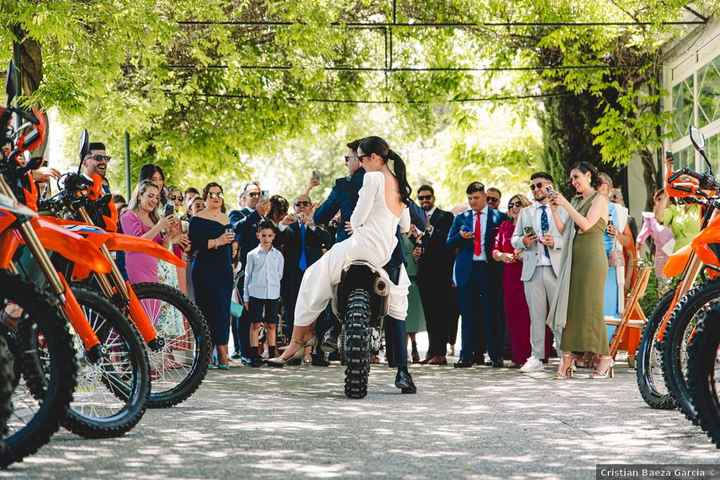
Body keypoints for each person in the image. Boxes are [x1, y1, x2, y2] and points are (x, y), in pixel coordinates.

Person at [268, 136, 416, 394]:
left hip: (361, 245)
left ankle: (303, 336)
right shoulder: (399, 184)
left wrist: (356, 223)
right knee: (396, 308)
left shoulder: (370, 178)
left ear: (371, 158)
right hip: (386, 253)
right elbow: (404, 226)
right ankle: (403, 371)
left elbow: (356, 216)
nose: (355, 162)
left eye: (357, 157)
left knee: (314, 275)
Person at [548, 162, 611, 379]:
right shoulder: (576, 200)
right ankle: (568, 358)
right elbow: (564, 229)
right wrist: (555, 209)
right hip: (575, 259)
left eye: (577, 177)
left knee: (591, 308)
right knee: (573, 310)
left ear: (588, 176)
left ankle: (605, 356)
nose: (573, 182)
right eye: (571, 179)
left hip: (593, 260)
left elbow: (586, 225)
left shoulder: (599, 199)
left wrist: (564, 203)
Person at [511, 172, 567, 373]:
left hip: (555, 268)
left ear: (549, 186)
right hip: (532, 269)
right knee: (536, 316)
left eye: (539, 185)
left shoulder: (562, 208)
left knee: (559, 316)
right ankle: (536, 356)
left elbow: (570, 237)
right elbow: (514, 238)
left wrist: (556, 242)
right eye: (532, 186)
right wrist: (522, 242)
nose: (535, 189)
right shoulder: (526, 212)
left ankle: (564, 356)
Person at [448, 181, 506, 368]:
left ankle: (496, 356)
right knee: (468, 314)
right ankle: (466, 356)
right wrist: (460, 237)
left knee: (491, 313)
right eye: (470, 198)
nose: (473, 202)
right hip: (467, 269)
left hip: (489, 269)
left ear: (484, 197)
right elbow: (448, 242)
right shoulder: (461, 218)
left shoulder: (499, 217)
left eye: (476, 198)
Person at [120, 180, 185, 339]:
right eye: (150, 195)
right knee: (141, 313)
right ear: (139, 195)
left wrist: (169, 235)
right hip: (137, 269)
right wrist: (159, 226)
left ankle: (151, 357)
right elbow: (136, 243)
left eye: (156, 197)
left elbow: (161, 248)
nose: (154, 200)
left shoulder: (154, 218)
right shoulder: (128, 215)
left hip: (155, 270)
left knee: (153, 314)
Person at [189, 182, 235, 369]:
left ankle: (223, 354)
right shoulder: (198, 219)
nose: (216, 198)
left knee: (223, 311)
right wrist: (219, 241)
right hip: (205, 270)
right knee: (206, 311)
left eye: (219, 194)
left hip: (224, 270)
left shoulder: (226, 217)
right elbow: (195, 245)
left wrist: (234, 245)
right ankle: (206, 355)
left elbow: (233, 238)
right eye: (212, 194)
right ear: (205, 197)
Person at [278, 194, 331, 343]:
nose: (301, 207)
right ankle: (294, 350)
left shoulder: (318, 224)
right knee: (292, 311)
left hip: (313, 274)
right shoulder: (288, 226)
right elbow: (275, 240)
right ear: (293, 208)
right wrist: (282, 225)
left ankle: (317, 352)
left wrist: (312, 225)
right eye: (298, 204)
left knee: (318, 310)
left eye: (305, 204)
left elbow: (327, 240)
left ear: (311, 206)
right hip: (293, 275)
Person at [414, 185, 454, 365]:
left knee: (441, 314)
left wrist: (429, 228)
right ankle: (431, 352)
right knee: (430, 315)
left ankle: (441, 353)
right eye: (421, 198)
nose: (424, 201)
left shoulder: (445, 216)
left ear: (434, 197)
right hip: (424, 274)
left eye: (427, 197)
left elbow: (446, 241)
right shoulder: (416, 220)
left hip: (441, 273)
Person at [492, 194, 533, 368]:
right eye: (511, 205)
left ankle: (532, 355)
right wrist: (502, 256)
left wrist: (521, 256)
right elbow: (495, 250)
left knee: (528, 314)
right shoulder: (505, 225)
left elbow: (535, 248)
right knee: (512, 314)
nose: (514, 207)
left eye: (518, 204)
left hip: (527, 272)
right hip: (509, 274)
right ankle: (517, 356)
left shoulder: (530, 226)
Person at [244, 221, 284, 367]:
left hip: (272, 294)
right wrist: (246, 297)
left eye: (269, 235)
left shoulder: (278, 255)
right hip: (256, 293)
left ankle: (272, 354)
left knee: (271, 324)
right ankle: (255, 355)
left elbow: (279, 274)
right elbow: (248, 276)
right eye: (263, 235)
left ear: (273, 236)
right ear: (258, 236)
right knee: (255, 324)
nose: (266, 238)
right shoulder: (252, 255)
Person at [598, 173, 630, 341]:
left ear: (609, 188)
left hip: (610, 263)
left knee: (608, 305)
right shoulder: (585, 207)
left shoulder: (618, 211)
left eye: (602, 184)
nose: (599, 188)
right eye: (596, 184)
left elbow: (628, 242)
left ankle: (605, 348)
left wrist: (616, 233)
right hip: (589, 262)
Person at [405, 229, 427, 363]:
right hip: (402, 280)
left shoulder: (418, 237)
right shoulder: (400, 235)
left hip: (413, 281)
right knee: (404, 318)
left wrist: (418, 255)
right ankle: (406, 349)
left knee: (411, 319)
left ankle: (413, 347)